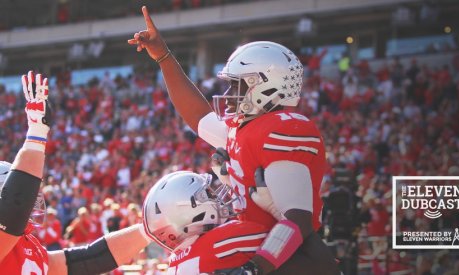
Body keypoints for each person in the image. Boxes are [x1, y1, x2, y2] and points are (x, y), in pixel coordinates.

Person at [129, 6, 340, 275]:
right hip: (261, 239)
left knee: (193, 263)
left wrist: (254, 269)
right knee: (186, 261)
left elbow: (297, 220)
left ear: (266, 84)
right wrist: (163, 57)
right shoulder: (248, 128)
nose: (229, 95)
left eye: (237, 85)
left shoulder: (282, 129)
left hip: (279, 253)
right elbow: (198, 117)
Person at [0, 71, 152, 275]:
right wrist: (37, 133)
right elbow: (14, 206)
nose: (30, 203)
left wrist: (150, 229)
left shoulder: (28, 246)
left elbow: (89, 259)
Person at [143, 171, 269, 275]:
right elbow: (282, 237)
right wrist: (273, 208)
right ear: (188, 210)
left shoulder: (174, 261)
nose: (215, 197)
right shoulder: (222, 240)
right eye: (207, 193)